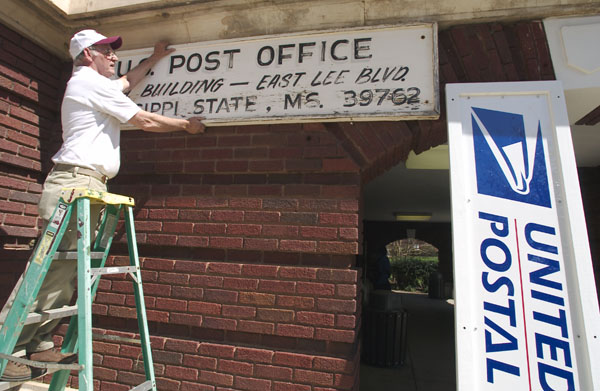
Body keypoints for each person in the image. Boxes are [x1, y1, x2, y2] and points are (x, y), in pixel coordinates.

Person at [0, 29, 205, 384]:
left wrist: (155, 58)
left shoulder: (97, 85)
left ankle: (37, 342)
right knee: (48, 270)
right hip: (74, 183)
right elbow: (143, 119)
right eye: (106, 51)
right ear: (86, 55)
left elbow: (126, 82)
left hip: (90, 186)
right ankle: (7, 351)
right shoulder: (85, 83)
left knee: (66, 273)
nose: (113, 56)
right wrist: (187, 126)